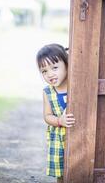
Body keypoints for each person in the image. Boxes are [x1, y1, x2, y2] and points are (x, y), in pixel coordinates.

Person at [36, 44, 75, 182]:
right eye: (44, 71)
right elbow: (47, 116)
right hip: (59, 139)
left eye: (55, 68)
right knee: (62, 173)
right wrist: (59, 121)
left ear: (67, 64)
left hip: (79, 136)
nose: (50, 74)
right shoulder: (48, 92)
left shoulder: (76, 85)